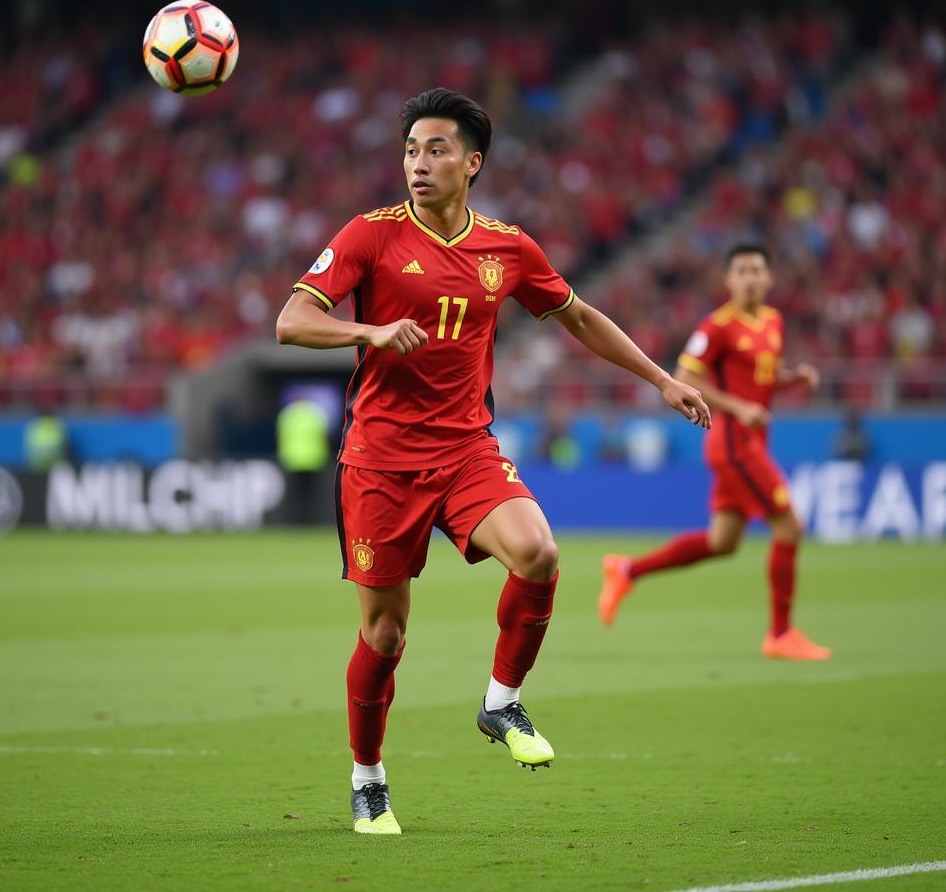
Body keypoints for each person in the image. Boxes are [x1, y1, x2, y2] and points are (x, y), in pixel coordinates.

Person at [275, 88, 711, 836]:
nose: (419, 163)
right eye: (411, 149)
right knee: (384, 637)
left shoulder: (507, 248)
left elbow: (577, 315)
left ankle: (501, 702)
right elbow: (292, 321)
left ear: (472, 163)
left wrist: (662, 379)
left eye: (436, 149)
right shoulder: (368, 236)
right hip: (379, 463)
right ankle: (368, 778)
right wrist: (371, 331)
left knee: (539, 553)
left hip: (466, 449)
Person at [598, 242, 831, 662]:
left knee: (723, 542)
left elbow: (760, 377)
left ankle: (627, 570)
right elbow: (686, 377)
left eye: (757, 270)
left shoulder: (773, 322)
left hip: (753, 442)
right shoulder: (716, 326)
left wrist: (791, 379)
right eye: (741, 270)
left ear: (769, 278)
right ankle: (780, 634)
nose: (750, 277)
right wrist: (738, 407)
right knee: (790, 527)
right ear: (728, 280)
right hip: (732, 444)